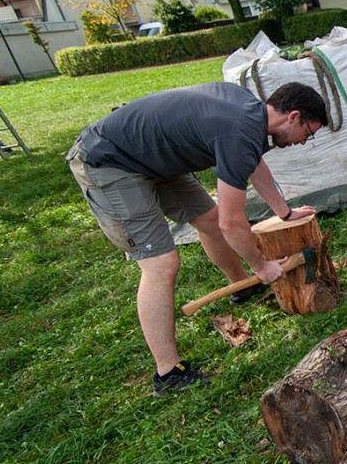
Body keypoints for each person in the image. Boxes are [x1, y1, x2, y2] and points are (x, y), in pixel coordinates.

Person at [66, 82, 328, 397]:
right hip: (110, 160)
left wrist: (284, 213)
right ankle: (168, 373)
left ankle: (241, 288)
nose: (303, 143)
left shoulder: (250, 112)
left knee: (208, 221)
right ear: (293, 116)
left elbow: (254, 165)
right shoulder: (238, 134)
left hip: (152, 158)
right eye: (308, 134)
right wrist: (262, 266)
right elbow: (232, 223)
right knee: (161, 264)